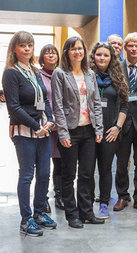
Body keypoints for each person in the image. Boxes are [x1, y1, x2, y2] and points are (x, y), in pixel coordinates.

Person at [2, 31, 57, 236]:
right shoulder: (10, 73)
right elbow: (14, 107)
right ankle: (26, 220)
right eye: (23, 45)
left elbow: (45, 99)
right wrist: (36, 126)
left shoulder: (34, 71)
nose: (27, 48)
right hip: (24, 131)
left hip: (42, 130)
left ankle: (39, 212)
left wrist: (50, 120)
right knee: (27, 175)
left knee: (44, 173)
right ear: (14, 48)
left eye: (30, 45)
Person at [52, 36, 104, 228]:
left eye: (80, 48)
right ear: (67, 52)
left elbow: (96, 103)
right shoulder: (60, 73)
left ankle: (87, 213)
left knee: (86, 174)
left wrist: (99, 128)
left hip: (88, 130)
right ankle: (72, 215)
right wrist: (63, 134)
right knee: (69, 175)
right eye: (73, 49)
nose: (77, 52)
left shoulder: (89, 73)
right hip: (70, 131)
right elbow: (57, 105)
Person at [89, 42, 128, 219]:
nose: (102, 58)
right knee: (87, 170)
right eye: (99, 55)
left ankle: (104, 204)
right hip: (88, 131)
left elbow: (125, 106)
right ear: (93, 56)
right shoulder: (86, 76)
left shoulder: (118, 77)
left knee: (105, 170)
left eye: (106, 55)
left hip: (110, 132)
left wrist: (117, 127)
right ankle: (87, 203)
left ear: (111, 58)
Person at [113, 32, 137, 213]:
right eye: (130, 45)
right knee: (121, 163)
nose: (134, 49)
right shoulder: (117, 68)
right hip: (123, 123)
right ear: (125, 48)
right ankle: (122, 196)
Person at [39, 44, 65, 212]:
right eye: (47, 53)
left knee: (60, 164)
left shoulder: (62, 73)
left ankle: (60, 196)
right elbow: (38, 100)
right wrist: (48, 119)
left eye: (53, 52)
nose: (51, 55)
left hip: (61, 126)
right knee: (43, 165)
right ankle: (42, 198)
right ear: (42, 57)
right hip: (45, 125)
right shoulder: (37, 75)